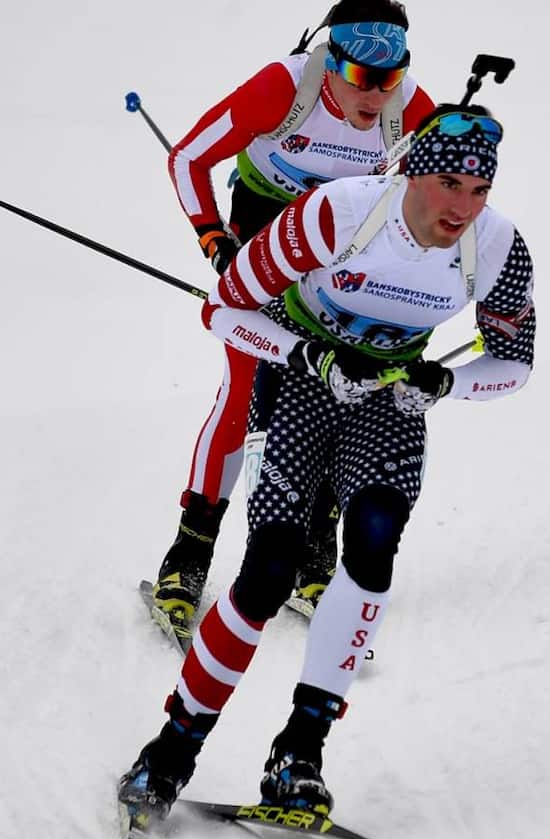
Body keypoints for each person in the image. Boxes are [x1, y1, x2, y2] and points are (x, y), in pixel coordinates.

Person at [118, 103, 536, 817]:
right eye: (449, 187)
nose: (463, 208)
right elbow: (223, 310)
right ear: (411, 173)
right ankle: (171, 750)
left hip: (391, 397)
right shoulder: (335, 214)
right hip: (300, 380)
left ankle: (299, 753)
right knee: (271, 566)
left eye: (479, 193)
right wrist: (307, 351)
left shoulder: (498, 247)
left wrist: (443, 382)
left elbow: (515, 364)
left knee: (372, 545)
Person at [151, 0, 437, 646]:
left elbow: (448, 193)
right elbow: (187, 160)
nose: (376, 95)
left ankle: (315, 550)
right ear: (331, 63)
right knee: (248, 388)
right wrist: (215, 243)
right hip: (261, 236)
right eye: (362, 78)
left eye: (389, 79)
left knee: (339, 387)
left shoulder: (409, 106)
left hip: (339, 248)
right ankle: (189, 554)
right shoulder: (285, 87)